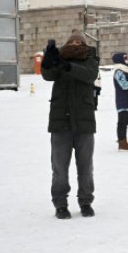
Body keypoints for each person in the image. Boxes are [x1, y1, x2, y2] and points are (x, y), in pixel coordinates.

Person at [41, 30, 99, 219]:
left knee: (85, 167)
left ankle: (85, 201)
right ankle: (60, 204)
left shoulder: (91, 58)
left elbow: (89, 75)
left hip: (84, 123)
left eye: (78, 41)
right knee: (59, 168)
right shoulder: (59, 59)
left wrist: (67, 66)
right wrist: (48, 58)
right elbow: (48, 75)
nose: (75, 44)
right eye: (71, 41)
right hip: (60, 122)